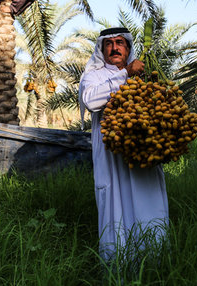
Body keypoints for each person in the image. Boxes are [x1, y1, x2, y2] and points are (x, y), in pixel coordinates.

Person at [79, 27, 169, 263]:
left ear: (128, 48)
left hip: (142, 151)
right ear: (102, 49)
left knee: (148, 203)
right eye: (109, 44)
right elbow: (91, 101)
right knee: (114, 212)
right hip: (110, 157)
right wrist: (125, 74)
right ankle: (116, 268)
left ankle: (153, 264)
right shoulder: (94, 75)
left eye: (120, 43)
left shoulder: (142, 74)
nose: (115, 48)